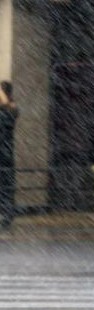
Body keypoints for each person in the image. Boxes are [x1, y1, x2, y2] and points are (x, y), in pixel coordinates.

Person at [0, 81, 18, 229]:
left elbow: (8, 108)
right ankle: (6, 214)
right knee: (6, 186)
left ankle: (6, 215)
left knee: (5, 185)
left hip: (4, 154)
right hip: (5, 153)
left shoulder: (10, 110)